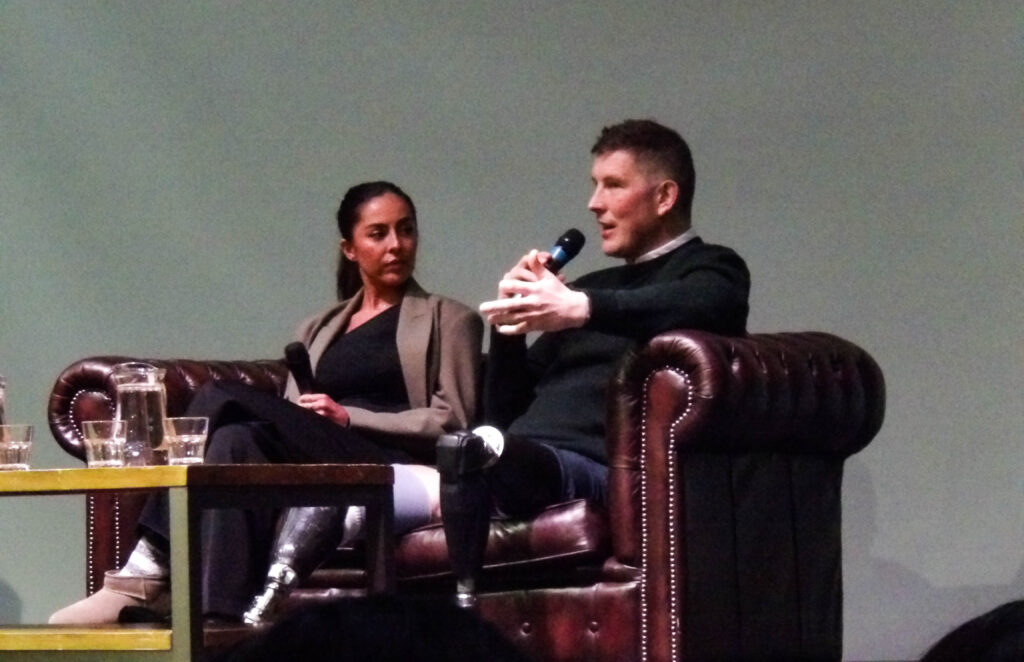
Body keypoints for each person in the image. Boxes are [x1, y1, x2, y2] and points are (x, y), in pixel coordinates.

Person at [50, 181, 483, 624]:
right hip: (317, 452)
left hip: (389, 462)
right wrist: (317, 419)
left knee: (218, 397)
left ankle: (146, 568)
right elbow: (294, 412)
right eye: (378, 233)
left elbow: (454, 423)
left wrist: (349, 417)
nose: (396, 245)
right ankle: (217, 622)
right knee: (236, 441)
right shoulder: (318, 328)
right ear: (350, 249)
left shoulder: (450, 319)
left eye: (406, 230)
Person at [470, 117, 750, 521]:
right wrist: (511, 325)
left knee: (480, 459)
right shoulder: (592, 284)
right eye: (595, 184)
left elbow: (708, 303)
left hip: (590, 471)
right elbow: (504, 413)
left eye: (614, 185)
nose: (594, 203)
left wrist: (582, 308)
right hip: (515, 459)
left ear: (664, 197)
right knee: (436, 463)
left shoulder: (711, 268)